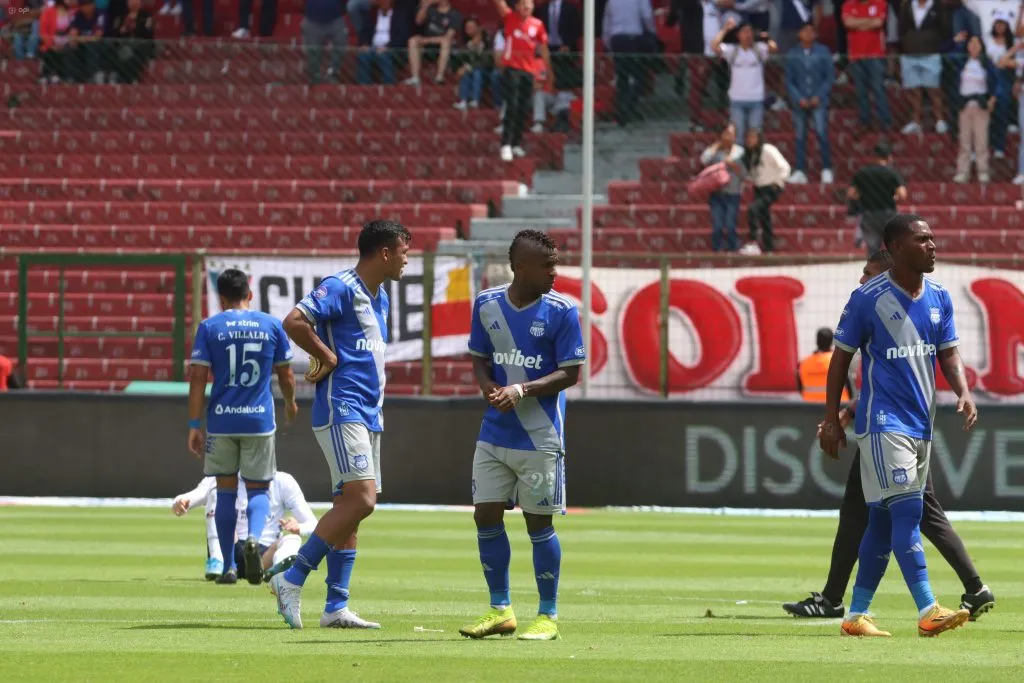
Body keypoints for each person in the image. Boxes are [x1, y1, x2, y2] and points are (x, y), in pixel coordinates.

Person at [784, 253, 995, 621]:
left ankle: (951, 596)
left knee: (900, 514)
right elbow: (874, 380)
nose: (861, 279)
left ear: (888, 271)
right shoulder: (873, 309)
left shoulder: (915, 300)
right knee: (879, 513)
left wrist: (838, 418)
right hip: (885, 428)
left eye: (868, 273)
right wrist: (841, 416)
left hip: (903, 428)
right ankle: (857, 605)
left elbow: (935, 358)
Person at [819, 214, 978, 638]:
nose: (932, 245)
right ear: (894, 247)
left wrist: (962, 390)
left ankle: (854, 615)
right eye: (922, 238)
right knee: (908, 511)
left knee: (882, 521)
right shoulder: (867, 298)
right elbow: (840, 358)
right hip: (882, 421)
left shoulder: (939, 297)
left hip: (921, 422)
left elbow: (948, 352)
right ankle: (928, 608)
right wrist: (831, 418)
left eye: (932, 237)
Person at [270, 220, 411, 631]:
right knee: (362, 499)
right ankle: (290, 578)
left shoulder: (379, 296)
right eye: (404, 251)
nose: (406, 259)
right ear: (384, 252)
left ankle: (335, 607)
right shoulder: (341, 286)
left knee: (350, 509)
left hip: (369, 411)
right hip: (342, 407)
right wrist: (327, 358)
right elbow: (294, 321)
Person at [458, 229, 585, 642]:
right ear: (521, 266)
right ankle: (501, 610)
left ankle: (547, 615)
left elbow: (571, 373)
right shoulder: (487, 304)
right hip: (494, 433)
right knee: (485, 516)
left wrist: (522, 389)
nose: (555, 271)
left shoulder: (563, 311)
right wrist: (487, 389)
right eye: (547, 265)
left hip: (540, 436)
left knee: (538, 525)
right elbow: (479, 358)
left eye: (555, 263)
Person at [188, 269, 298, 585]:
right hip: (259, 419)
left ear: (221, 298)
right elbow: (286, 375)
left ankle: (227, 567)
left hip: (222, 419)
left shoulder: (209, 328)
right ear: (249, 294)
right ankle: (252, 538)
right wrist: (290, 403)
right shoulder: (271, 325)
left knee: (224, 491)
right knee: (259, 488)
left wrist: (195, 424)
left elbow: (197, 380)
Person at [173, 471, 318, 583]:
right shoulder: (221, 477)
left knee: (293, 539)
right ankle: (221, 563)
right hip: (230, 545)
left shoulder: (284, 481)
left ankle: (276, 571)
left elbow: (313, 524)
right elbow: (189, 497)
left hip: (265, 556)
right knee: (215, 494)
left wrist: (298, 527)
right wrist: (180, 502)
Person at [494, 0, 551, 162]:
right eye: (523, 3)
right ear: (517, 6)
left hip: (529, 71)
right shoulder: (510, 18)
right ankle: (505, 144)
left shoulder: (538, 24)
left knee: (522, 108)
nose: (526, 7)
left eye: (529, 3)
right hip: (512, 69)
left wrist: (546, 71)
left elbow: (544, 49)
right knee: (511, 105)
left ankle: (516, 143)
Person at [784, 22, 834, 185]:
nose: (808, 34)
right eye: (804, 30)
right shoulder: (792, 54)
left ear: (815, 34)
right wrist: (798, 98)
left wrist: (819, 96)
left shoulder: (823, 51)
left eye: (811, 31)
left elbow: (829, 77)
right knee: (800, 136)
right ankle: (800, 170)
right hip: (800, 101)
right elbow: (789, 80)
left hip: (818, 99)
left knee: (821, 133)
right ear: (799, 34)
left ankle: (826, 169)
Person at [712, 18, 777, 142]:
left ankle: (754, 161)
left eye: (750, 32)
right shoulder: (732, 50)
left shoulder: (759, 49)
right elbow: (714, 46)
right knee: (738, 137)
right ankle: (739, 161)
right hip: (737, 100)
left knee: (755, 136)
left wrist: (766, 38)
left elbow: (774, 48)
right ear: (738, 35)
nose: (747, 35)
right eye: (744, 32)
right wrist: (725, 29)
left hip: (756, 99)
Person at [897, 0, 951, 135]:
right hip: (909, 54)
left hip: (930, 54)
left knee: (934, 89)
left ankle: (939, 120)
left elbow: (944, 29)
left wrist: (933, 42)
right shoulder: (907, 5)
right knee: (914, 90)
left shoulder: (938, 6)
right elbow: (901, 28)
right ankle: (915, 121)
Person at [953, 35, 1000, 183]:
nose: (974, 46)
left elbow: (996, 82)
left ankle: (983, 170)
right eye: (971, 42)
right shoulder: (962, 62)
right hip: (965, 105)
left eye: (977, 43)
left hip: (980, 105)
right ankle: (962, 171)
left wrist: (992, 99)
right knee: (965, 141)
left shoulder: (986, 63)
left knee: (981, 141)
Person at [848, 142, 907, 256]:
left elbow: (851, 193)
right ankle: (891, 272)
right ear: (889, 157)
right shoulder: (892, 173)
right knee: (892, 249)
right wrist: (893, 198)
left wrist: (863, 197)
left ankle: (875, 272)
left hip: (869, 214)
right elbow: (902, 194)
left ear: (874, 156)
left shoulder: (863, 173)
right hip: (888, 213)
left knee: (873, 252)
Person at [843, 0, 892, 132]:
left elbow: (878, 23)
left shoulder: (880, 3)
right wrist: (869, 22)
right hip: (856, 55)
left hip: (875, 55)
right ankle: (865, 122)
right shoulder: (848, 4)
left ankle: (885, 123)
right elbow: (848, 23)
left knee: (878, 89)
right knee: (861, 91)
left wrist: (857, 22)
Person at [740, 128, 789, 255]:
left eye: (753, 137)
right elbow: (754, 173)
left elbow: (784, 166)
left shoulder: (768, 149)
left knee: (753, 209)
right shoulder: (750, 154)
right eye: (748, 138)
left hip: (771, 187)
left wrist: (778, 182)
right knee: (764, 217)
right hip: (759, 187)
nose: (750, 141)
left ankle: (753, 243)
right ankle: (768, 248)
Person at [700, 122, 745, 253]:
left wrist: (733, 165)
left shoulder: (740, 152)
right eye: (725, 134)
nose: (728, 137)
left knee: (731, 225)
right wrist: (715, 146)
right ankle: (717, 250)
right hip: (716, 193)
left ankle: (733, 248)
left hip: (733, 193)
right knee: (717, 226)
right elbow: (703, 160)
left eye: (731, 134)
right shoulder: (715, 150)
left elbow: (744, 174)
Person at [405, 0, 462, 85]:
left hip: (445, 49)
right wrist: (425, 6)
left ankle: (439, 77)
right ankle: (415, 77)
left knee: (445, 42)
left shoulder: (455, 14)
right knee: (413, 40)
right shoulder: (431, 10)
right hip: (428, 47)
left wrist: (427, 40)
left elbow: (448, 37)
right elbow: (418, 21)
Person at [796, 328, 852, 403]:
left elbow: (800, 388)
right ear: (832, 342)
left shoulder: (803, 363)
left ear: (817, 342)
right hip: (837, 408)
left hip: (810, 408)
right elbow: (850, 387)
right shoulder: (839, 361)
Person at [453, 17, 492, 109]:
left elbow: (485, 61)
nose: (469, 29)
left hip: (485, 71)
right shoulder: (464, 43)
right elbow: (460, 59)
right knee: (465, 74)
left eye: (471, 27)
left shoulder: (486, 43)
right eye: (467, 27)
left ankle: (475, 100)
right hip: (469, 70)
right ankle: (463, 101)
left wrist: (468, 66)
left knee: (476, 72)